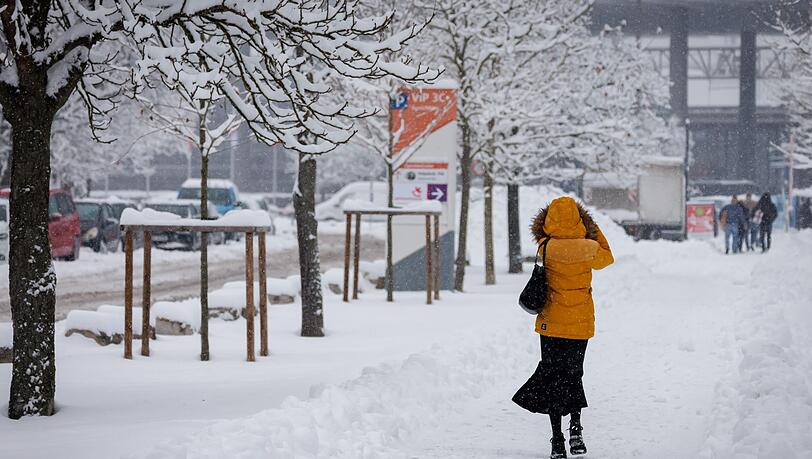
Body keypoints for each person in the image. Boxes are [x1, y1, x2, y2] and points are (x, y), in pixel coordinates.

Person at [513, 197, 613, 459]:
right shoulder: (589, 247)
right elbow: (608, 257)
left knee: (553, 377)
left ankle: (557, 440)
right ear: (579, 218)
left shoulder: (546, 246)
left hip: (551, 323)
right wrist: (591, 227)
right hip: (579, 323)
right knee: (573, 374)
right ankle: (576, 429)